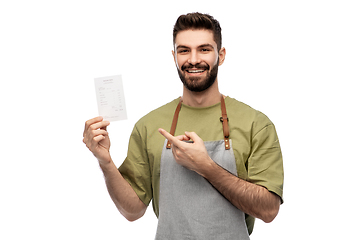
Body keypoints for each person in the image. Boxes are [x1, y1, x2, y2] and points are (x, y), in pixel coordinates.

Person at [83, 12, 284, 239]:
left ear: (222, 55)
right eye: (184, 50)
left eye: (204, 49)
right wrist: (105, 161)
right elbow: (133, 210)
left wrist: (206, 166)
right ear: (174, 56)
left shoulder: (256, 124)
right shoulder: (149, 125)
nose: (194, 59)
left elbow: (268, 210)